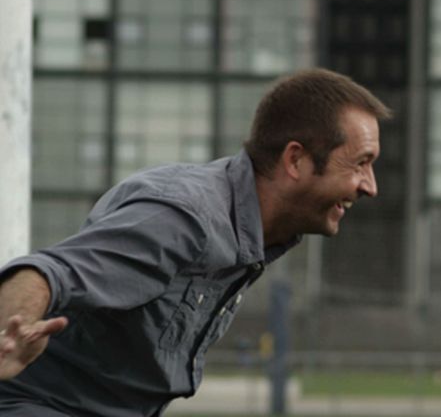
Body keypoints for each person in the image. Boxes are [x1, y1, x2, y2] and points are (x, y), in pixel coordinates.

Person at [0, 69, 391, 416]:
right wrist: (9, 337)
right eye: (360, 162)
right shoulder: (183, 216)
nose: (370, 186)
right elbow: (48, 273)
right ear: (296, 160)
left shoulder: (250, 232)